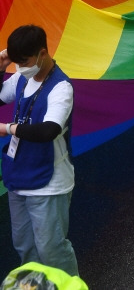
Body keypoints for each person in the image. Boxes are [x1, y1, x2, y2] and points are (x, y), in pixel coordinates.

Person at [0, 25, 78, 276]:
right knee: (25, 248)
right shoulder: (22, 78)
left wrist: (8, 129)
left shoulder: (61, 87)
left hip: (49, 183)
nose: (20, 67)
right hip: (20, 176)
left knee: (51, 250)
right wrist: (1, 66)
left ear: (42, 53)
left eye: (23, 61)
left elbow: (49, 131)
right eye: (16, 62)